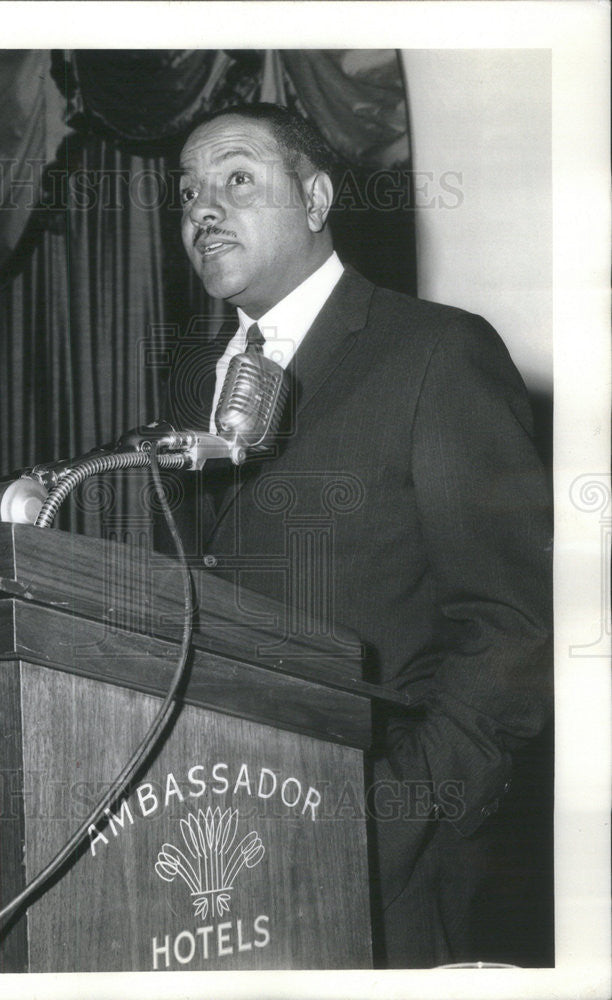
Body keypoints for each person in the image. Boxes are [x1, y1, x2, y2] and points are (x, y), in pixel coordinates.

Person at [163, 102, 553, 968]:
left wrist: (392, 817)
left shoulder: (436, 353)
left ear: (315, 198)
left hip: (395, 879)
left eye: (236, 179)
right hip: (213, 856)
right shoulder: (193, 390)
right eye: (188, 191)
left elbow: (516, 629)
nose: (201, 208)